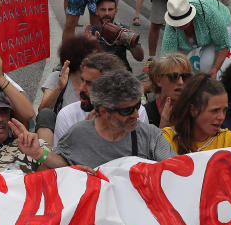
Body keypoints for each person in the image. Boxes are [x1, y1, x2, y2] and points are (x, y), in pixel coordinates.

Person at [42, 69, 175, 170]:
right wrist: (38, 152)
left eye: (137, 106)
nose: (137, 115)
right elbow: (61, 165)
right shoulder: (78, 134)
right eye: (127, 110)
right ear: (104, 112)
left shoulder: (151, 136)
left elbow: (176, 169)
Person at [163, 74, 231, 153]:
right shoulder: (167, 139)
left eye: (224, 110)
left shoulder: (228, 140)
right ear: (193, 110)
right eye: (215, 110)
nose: (221, 117)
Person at [160, 0, 231, 77]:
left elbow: (223, 45)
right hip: (193, 39)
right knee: (175, 66)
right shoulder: (172, 21)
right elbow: (167, 57)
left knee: (206, 64)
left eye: (184, 23)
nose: (180, 26)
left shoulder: (210, 13)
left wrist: (215, 69)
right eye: (177, 24)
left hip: (217, 23)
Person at [38, 35, 102, 116]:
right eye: (92, 58)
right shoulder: (58, 77)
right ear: (78, 60)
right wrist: (59, 87)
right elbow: (43, 111)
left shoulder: (99, 82)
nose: (96, 62)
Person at [85, 0, 144, 70]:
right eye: (103, 9)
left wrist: (131, 42)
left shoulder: (122, 30)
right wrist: (90, 45)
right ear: (97, 11)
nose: (107, 13)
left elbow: (140, 58)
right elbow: (84, 63)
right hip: (100, 74)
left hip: (121, 74)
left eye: (110, 9)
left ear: (116, 11)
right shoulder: (91, 32)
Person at [144, 53, 192, 128]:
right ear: (158, 80)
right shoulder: (144, 114)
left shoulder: (195, 111)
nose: (181, 82)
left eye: (185, 77)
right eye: (174, 76)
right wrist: (163, 124)